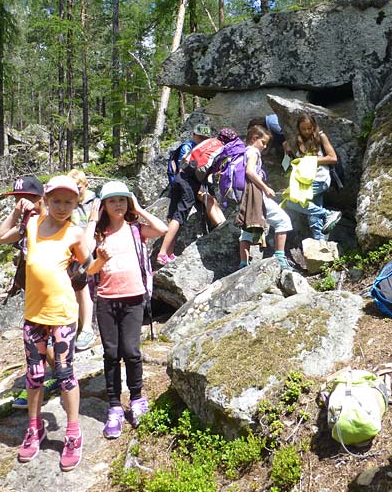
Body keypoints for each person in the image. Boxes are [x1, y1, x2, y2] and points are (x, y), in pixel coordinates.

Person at [0, 175, 91, 471]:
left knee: (64, 373)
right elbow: (1, 237)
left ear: (76, 204)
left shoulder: (75, 234)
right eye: (57, 201)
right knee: (34, 375)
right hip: (34, 316)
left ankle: (73, 433)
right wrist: (16, 212)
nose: (62, 207)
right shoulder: (32, 224)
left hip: (62, 314)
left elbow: (86, 270)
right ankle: (34, 428)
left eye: (69, 202)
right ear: (46, 201)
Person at [85, 180, 167, 438]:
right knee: (111, 353)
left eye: (122, 200)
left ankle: (137, 399)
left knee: (131, 352)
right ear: (103, 206)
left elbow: (162, 229)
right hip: (106, 300)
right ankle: (113, 407)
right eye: (112, 201)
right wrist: (92, 221)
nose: (117, 204)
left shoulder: (136, 229)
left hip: (133, 298)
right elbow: (86, 261)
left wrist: (139, 209)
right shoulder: (98, 234)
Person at [0, 175, 61, 410]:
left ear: (40, 198)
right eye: (18, 199)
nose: (22, 202)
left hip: (55, 292)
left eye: (27, 198)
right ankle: (50, 379)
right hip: (33, 293)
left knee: (51, 339)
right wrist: (16, 214)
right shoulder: (25, 225)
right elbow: (0, 237)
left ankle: (58, 379)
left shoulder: (52, 220)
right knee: (36, 342)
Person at [157, 123, 225, 265]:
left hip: (179, 181)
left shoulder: (196, 149)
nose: (201, 139)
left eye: (204, 137)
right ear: (194, 135)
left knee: (173, 216)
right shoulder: (190, 147)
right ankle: (163, 253)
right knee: (179, 217)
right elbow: (193, 169)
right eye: (199, 136)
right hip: (187, 183)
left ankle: (169, 253)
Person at [239, 125, 293, 270]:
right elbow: (250, 171)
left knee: (248, 227)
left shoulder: (243, 151)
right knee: (283, 220)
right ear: (254, 139)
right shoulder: (253, 151)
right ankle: (280, 258)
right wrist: (265, 188)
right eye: (263, 142)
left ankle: (243, 264)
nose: (264, 146)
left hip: (244, 196)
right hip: (256, 195)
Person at [281, 113, 343, 240]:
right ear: (298, 128)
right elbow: (295, 162)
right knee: (313, 212)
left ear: (314, 127)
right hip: (305, 180)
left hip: (320, 179)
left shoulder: (321, 137)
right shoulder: (297, 141)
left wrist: (311, 160)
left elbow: (332, 158)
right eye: (303, 129)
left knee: (292, 201)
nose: (307, 131)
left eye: (309, 128)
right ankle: (320, 242)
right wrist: (287, 150)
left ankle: (329, 214)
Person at [67, 169, 98, 352]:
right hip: (73, 251)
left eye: (78, 187)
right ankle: (80, 326)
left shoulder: (95, 202)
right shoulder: (70, 203)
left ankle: (87, 327)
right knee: (76, 290)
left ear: (85, 185)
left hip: (89, 249)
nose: (76, 191)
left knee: (84, 289)